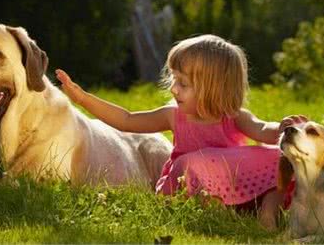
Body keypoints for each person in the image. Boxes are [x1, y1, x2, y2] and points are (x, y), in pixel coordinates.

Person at [55, 34, 306, 230]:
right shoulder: (173, 115)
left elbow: (263, 130)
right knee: (191, 163)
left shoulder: (233, 114)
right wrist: (83, 99)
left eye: (183, 83)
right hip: (193, 182)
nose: (174, 89)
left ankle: (268, 213)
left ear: (214, 88)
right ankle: (217, 212)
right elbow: (126, 119)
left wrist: (282, 128)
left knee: (281, 160)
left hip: (233, 178)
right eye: (174, 79)